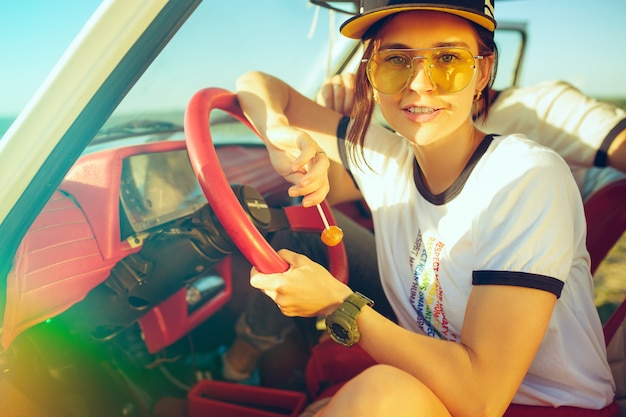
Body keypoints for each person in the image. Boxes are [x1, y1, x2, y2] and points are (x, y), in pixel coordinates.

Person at [234, 1, 618, 416]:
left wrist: (336, 304)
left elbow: (482, 397)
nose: (419, 84)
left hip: (537, 406)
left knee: (383, 392)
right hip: (441, 386)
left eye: (448, 59)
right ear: (370, 74)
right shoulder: (386, 160)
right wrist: (277, 132)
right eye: (396, 60)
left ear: (482, 73)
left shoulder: (524, 177)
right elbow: (256, 85)